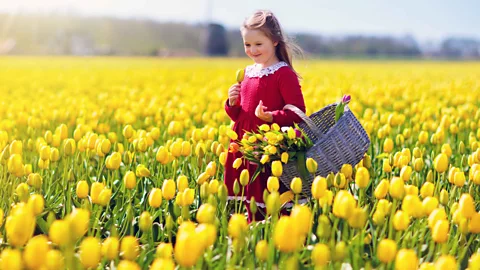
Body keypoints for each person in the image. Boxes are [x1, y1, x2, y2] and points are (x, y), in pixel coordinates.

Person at [224, 10, 306, 221]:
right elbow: (240, 115)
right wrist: (232, 104)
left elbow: (297, 112)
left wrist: (272, 118)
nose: (252, 50)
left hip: (266, 148)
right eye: (247, 45)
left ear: (275, 41)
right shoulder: (247, 72)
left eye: (258, 44)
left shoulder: (283, 73)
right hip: (243, 145)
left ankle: (273, 239)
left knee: (267, 200)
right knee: (245, 199)